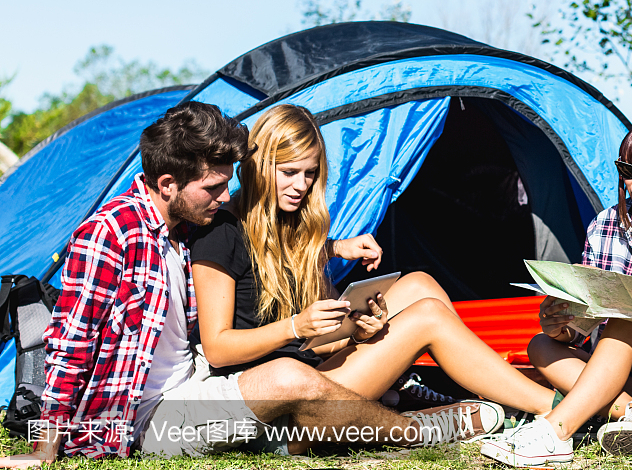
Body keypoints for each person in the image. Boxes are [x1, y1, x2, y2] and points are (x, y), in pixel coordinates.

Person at [0, 102, 478, 468]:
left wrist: (334, 248)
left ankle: (379, 410)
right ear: (167, 183)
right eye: (213, 188)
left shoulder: (182, 226)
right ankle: (419, 431)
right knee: (290, 379)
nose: (225, 197)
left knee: (304, 376)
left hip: (200, 383)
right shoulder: (109, 234)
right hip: (146, 422)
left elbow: (255, 244)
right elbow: (70, 346)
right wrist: (46, 448)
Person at [189, 104, 559, 442]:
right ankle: (558, 411)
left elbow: (326, 342)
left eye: (309, 174)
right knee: (427, 316)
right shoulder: (221, 231)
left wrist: (363, 329)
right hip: (281, 396)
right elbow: (218, 349)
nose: (301, 186)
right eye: (288, 172)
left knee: (419, 285)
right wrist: (295, 327)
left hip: (316, 368)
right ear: (257, 166)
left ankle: (492, 395)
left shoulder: (301, 228)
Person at [481, 115, 632, 467]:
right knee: (541, 344)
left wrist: (610, 309)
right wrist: (563, 325)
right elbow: (589, 320)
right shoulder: (605, 223)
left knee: (627, 321)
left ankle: (555, 432)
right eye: (627, 170)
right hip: (619, 370)